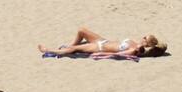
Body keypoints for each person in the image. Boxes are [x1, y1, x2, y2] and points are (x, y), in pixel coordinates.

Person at [39, 28, 167, 59]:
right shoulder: (135, 43)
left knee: (74, 49)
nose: (143, 37)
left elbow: (121, 54)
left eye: (145, 37)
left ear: (147, 43)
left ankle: (49, 50)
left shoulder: (137, 49)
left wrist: (101, 54)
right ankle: (70, 45)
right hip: (103, 41)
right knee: (82, 30)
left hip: (99, 47)